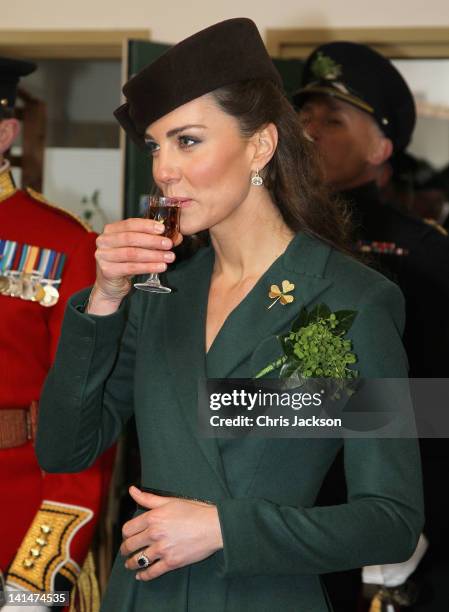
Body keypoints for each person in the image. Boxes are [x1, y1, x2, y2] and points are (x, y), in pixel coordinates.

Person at [36, 19, 423, 612]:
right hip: (142, 599)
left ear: (261, 145)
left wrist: (225, 529)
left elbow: (391, 520)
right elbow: (63, 449)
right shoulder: (158, 295)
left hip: (262, 597)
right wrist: (106, 298)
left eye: (187, 141)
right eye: (155, 146)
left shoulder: (351, 300)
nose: (164, 169)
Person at [294, 42, 449, 611]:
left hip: (386, 515)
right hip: (275, 516)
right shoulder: (258, 243)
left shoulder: (424, 255)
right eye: (303, 116)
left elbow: (441, 405)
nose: (308, 131)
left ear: (383, 148)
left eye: (332, 120)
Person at [0, 57, 115, 611]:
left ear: (5, 132)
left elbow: (85, 421)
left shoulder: (63, 244)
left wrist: (38, 574)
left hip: (13, 531)